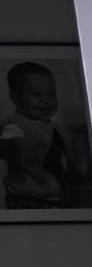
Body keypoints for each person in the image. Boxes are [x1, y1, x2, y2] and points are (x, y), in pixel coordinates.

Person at [1, 61, 71, 209]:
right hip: (26, 199)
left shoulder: (51, 125)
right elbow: (8, 140)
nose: (45, 100)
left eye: (51, 93)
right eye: (36, 94)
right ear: (15, 98)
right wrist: (12, 147)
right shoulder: (16, 124)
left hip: (53, 197)